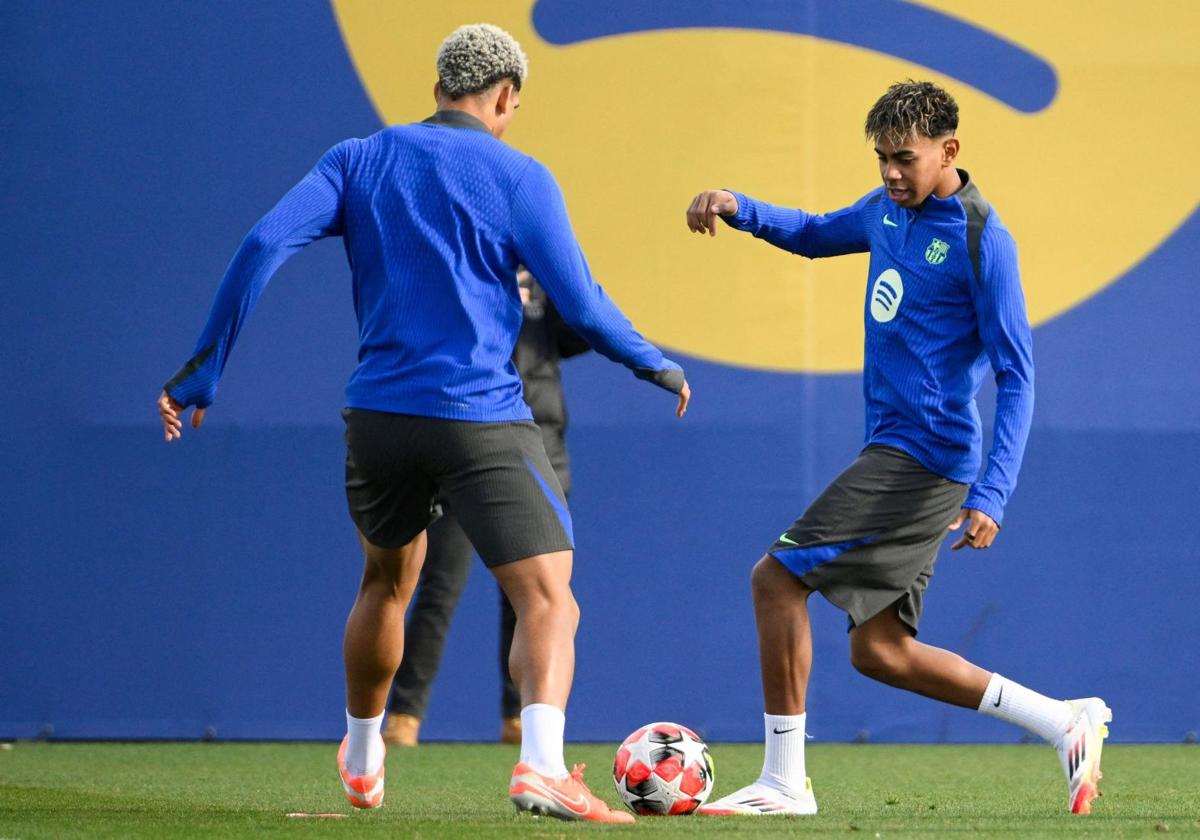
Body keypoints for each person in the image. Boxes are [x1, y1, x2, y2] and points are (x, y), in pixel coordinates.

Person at [158, 23, 690, 823]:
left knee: (385, 583)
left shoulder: (358, 158)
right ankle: (541, 767)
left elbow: (265, 240)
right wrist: (655, 362)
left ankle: (364, 756)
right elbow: (580, 303)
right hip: (478, 416)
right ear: (506, 96)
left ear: (439, 85)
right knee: (550, 599)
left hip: (377, 419)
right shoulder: (520, 174)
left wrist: (205, 368)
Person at [684, 80, 1108, 817]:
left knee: (776, 581)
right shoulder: (887, 210)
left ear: (950, 150)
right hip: (897, 450)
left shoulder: (983, 239)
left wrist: (994, 493)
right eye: (881, 157)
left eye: (903, 158)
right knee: (878, 651)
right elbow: (816, 234)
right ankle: (1063, 721)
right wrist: (740, 208)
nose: (889, 172)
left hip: (925, 456)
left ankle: (786, 783)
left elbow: (1017, 376)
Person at [384, 269, 590, 748]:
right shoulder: (464, 269)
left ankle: (521, 717)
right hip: (468, 445)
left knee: (533, 597)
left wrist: (566, 288)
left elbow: (579, 334)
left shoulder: (543, 276)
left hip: (540, 451)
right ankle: (405, 715)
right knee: (438, 588)